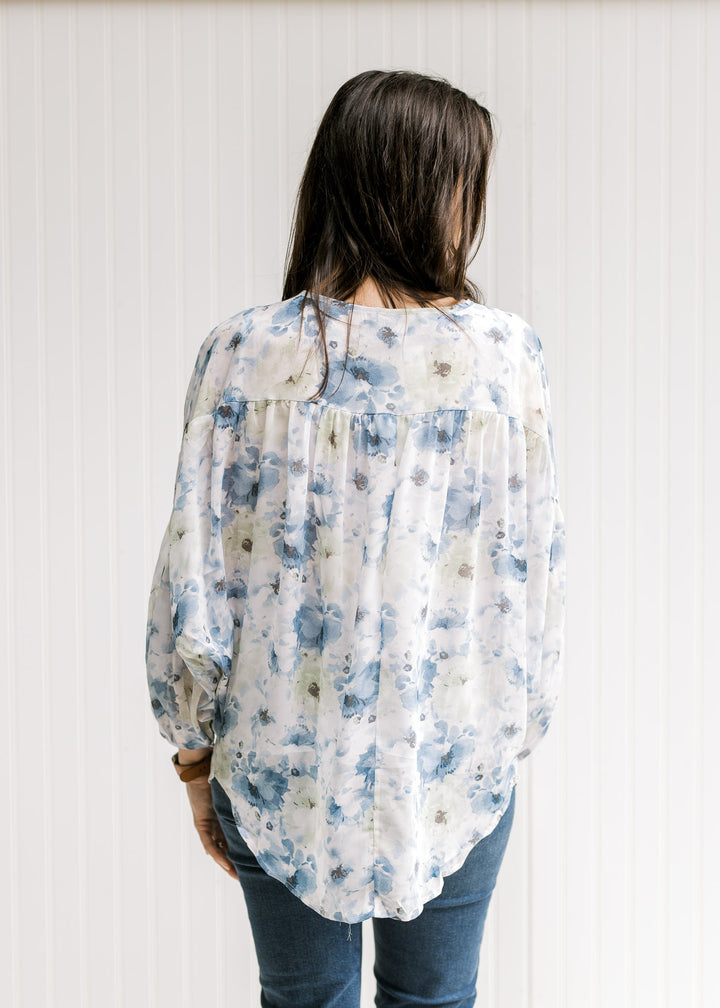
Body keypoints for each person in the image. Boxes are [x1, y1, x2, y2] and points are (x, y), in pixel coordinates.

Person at [145, 68, 566, 1008]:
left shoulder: (242, 354)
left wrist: (193, 756)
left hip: (278, 764)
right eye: (468, 187)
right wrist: (512, 723)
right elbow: (534, 584)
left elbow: (193, 584)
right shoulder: (505, 359)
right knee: (436, 1003)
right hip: (454, 760)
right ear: (425, 189)